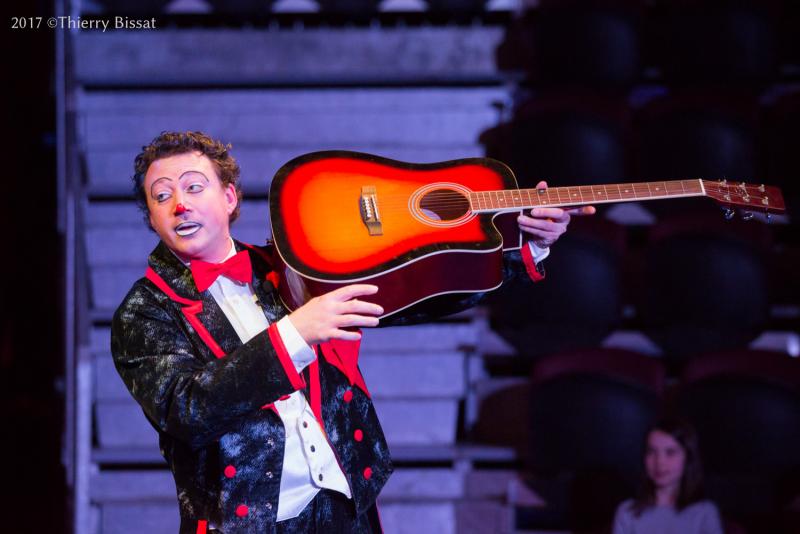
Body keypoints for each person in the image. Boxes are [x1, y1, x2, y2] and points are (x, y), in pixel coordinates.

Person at [111, 131, 593, 534]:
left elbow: (413, 295)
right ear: (151, 217)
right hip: (247, 521)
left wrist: (521, 247)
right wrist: (295, 333)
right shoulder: (145, 310)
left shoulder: (291, 266)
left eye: (194, 187)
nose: (179, 204)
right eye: (161, 196)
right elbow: (186, 409)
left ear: (230, 197)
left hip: (345, 507)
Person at [612, 417, 724, 534]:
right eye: (651, 452)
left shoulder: (705, 513)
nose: (659, 462)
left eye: (670, 453)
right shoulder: (627, 512)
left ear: (688, 458)